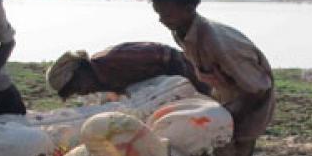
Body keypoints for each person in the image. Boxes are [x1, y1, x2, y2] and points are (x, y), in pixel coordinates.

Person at [149, 0, 275, 156]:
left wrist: (227, 120)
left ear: (189, 9)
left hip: (250, 101)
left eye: (167, 14)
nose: (162, 20)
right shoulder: (182, 30)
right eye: (158, 14)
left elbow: (257, 88)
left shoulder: (218, 42)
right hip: (226, 95)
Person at [45, 41, 210, 99]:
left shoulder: (113, 58)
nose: (83, 93)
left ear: (81, 71)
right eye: (76, 92)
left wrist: (198, 86)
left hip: (189, 75)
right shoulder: (104, 81)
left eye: (77, 87)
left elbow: (168, 55)